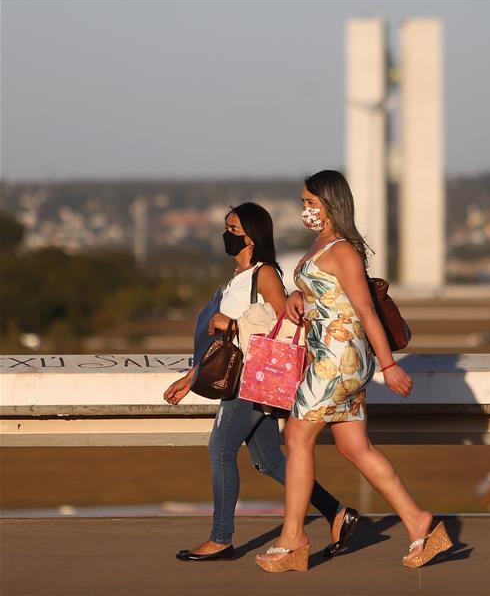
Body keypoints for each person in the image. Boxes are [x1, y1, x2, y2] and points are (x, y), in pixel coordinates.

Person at [255, 170, 452, 573]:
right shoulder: (322, 244)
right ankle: (420, 524)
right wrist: (297, 296)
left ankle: (293, 540)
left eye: (311, 202)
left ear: (331, 204)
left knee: (297, 434)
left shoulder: (343, 248)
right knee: (354, 447)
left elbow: (364, 310)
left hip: (338, 359)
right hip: (329, 355)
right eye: (304, 202)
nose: (305, 209)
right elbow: (326, 293)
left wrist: (389, 365)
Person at [162, 202, 359, 561]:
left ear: (251, 236)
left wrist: (233, 324)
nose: (227, 235)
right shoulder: (236, 279)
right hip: (241, 376)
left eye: (233, 229)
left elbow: (287, 323)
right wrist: (192, 377)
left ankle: (221, 538)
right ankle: (337, 512)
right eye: (226, 228)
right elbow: (223, 344)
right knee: (269, 461)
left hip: (254, 378)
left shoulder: (263, 274)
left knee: (220, 450)